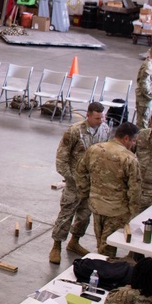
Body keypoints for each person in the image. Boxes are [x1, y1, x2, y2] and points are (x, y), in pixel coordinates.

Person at [48, 101, 110, 264]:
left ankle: (74, 242)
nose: (100, 121)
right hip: (74, 182)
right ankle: (56, 246)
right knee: (66, 214)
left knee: (84, 215)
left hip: (92, 182)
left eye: (102, 118)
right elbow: (61, 158)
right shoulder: (74, 131)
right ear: (88, 116)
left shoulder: (105, 130)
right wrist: (71, 178)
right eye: (97, 118)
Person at [75, 122, 142, 258]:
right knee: (108, 247)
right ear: (126, 138)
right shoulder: (129, 158)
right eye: (134, 140)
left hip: (96, 205)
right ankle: (106, 271)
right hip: (116, 210)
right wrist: (134, 212)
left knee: (101, 242)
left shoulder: (94, 149)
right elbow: (135, 188)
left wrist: (86, 192)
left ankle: (103, 264)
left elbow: (80, 171)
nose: (134, 144)